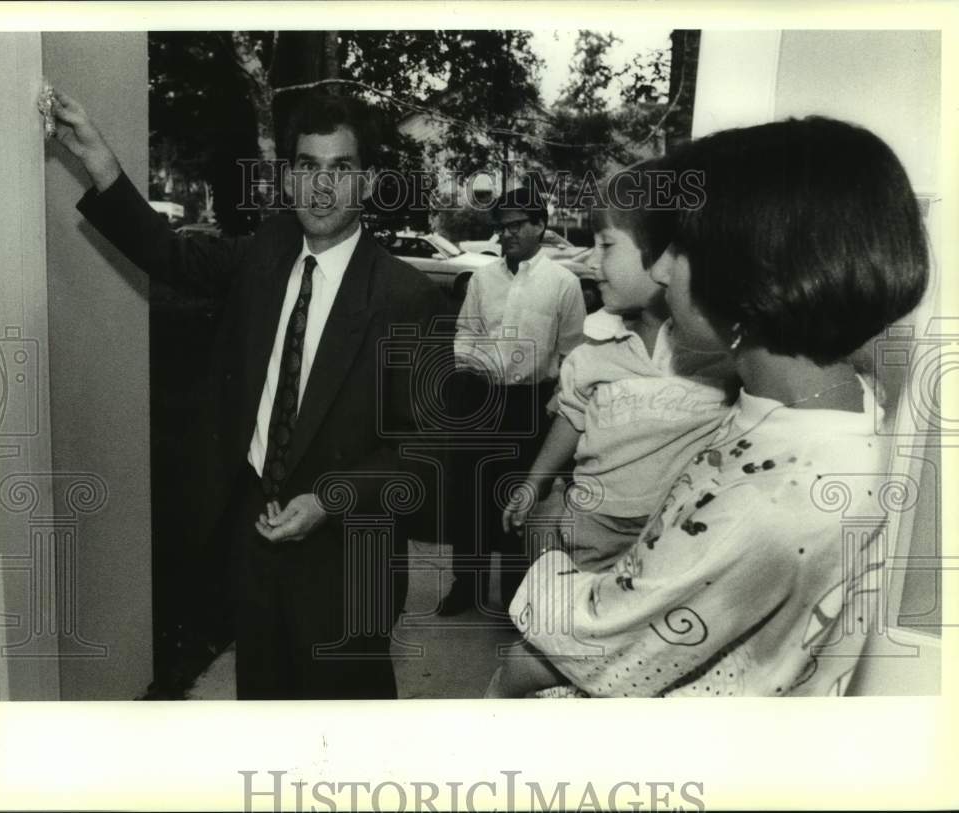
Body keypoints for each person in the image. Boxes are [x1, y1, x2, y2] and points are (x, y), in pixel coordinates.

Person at [487, 116, 928, 697]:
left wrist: (540, 547)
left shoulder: (772, 500)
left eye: (682, 247)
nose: (661, 269)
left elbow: (599, 638)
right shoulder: (828, 411)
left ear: (754, 271)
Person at [52, 89, 445, 699]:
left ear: (365, 182)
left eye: (340, 169)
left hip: (347, 563)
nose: (321, 187)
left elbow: (424, 458)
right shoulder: (267, 251)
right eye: (308, 167)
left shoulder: (405, 299)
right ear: (289, 178)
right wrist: (100, 161)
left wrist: (330, 499)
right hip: (253, 545)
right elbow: (169, 255)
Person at [501, 164, 736, 573]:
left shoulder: (717, 352)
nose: (591, 262)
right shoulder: (595, 342)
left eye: (606, 246)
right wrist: (534, 482)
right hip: (593, 522)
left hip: (680, 531)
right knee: (568, 619)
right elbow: (573, 416)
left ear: (667, 256)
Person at [441, 186, 586, 615]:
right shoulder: (482, 279)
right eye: (501, 227)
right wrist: (476, 363)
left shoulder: (563, 284)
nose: (506, 235)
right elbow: (464, 333)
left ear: (540, 226)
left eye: (516, 225)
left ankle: (512, 596)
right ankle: (465, 587)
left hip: (530, 405)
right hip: (480, 400)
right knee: (470, 495)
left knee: (517, 496)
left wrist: (556, 402)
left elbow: (572, 354)